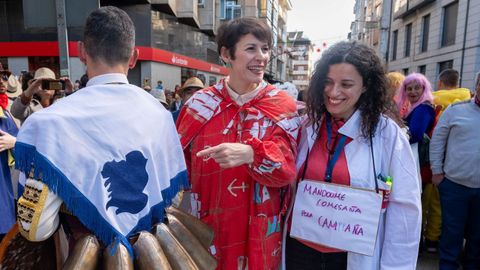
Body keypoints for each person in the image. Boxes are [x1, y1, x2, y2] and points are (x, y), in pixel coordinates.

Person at [14, 5, 187, 260]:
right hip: (150, 258)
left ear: (82, 51)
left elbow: (35, 229)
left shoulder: (48, 123)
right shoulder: (160, 115)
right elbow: (173, 198)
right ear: (134, 56)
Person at [176, 17, 300, 269]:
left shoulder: (282, 106)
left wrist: (252, 154)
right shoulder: (198, 105)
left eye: (265, 49)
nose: (262, 57)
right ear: (226, 54)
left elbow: (287, 170)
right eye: (251, 48)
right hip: (207, 227)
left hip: (263, 232)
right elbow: (177, 168)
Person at [287, 41, 421, 269]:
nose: (333, 92)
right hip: (299, 252)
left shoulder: (387, 135)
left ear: (366, 86)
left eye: (346, 84)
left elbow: (404, 210)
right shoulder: (304, 126)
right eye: (328, 83)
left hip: (350, 256)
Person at [430, 72, 480, 270]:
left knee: (477, 238)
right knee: (452, 234)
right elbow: (437, 141)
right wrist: (437, 172)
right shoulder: (456, 110)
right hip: (454, 186)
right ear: (476, 85)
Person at [0, 70, 19, 242]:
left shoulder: (4, 113)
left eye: (4, 76)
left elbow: (20, 141)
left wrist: (15, 142)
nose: (2, 81)